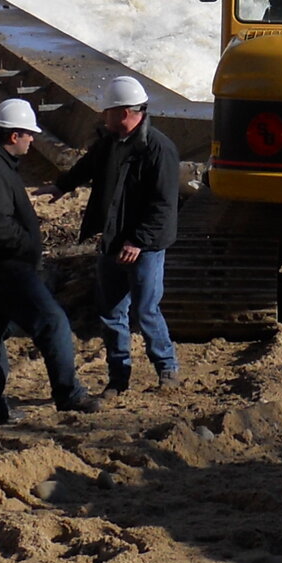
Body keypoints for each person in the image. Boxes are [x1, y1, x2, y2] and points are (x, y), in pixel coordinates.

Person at [0, 98, 101, 423]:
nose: (32, 139)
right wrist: (28, 245)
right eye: (29, 134)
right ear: (14, 136)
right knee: (52, 322)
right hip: (8, 268)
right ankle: (69, 395)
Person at [52, 75, 181, 394]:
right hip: (113, 240)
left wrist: (138, 241)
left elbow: (164, 204)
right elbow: (87, 166)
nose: (102, 116)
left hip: (145, 247)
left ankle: (167, 369)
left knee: (146, 309)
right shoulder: (109, 143)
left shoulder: (159, 149)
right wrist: (61, 185)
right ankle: (118, 378)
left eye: (107, 110)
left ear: (124, 112)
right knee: (111, 311)